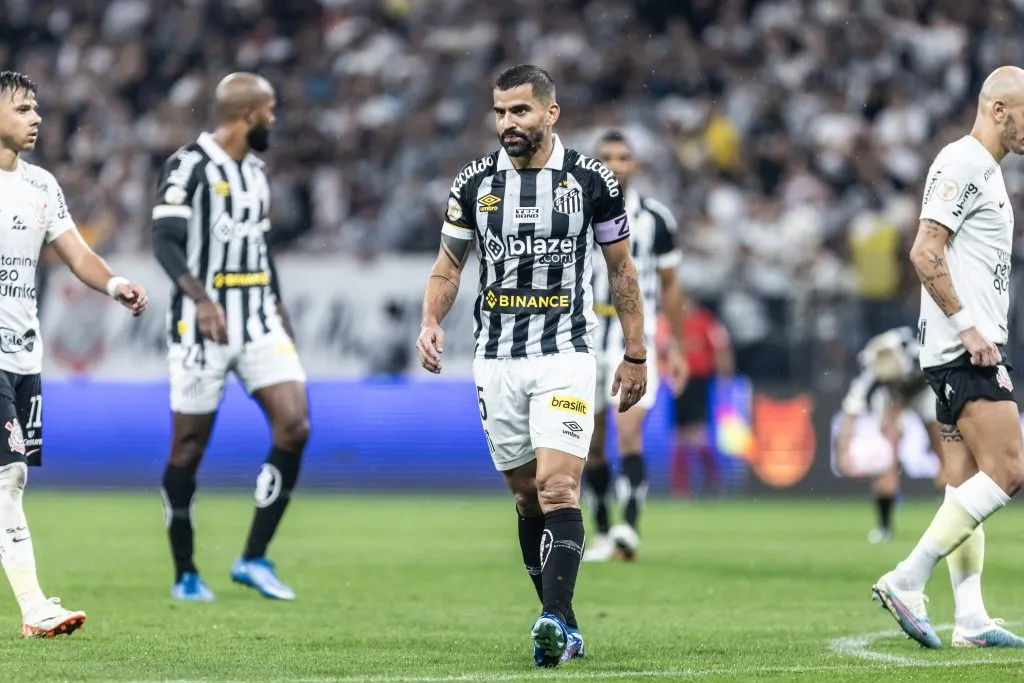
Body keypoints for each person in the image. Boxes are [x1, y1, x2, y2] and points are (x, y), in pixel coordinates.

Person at [415, 65, 647, 667]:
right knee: (525, 499)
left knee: (558, 485)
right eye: (499, 112)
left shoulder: (591, 180)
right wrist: (431, 321)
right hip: (495, 359)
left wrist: (636, 351)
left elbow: (622, 271)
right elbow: (448, 266)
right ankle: (564, 623)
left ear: (551, 113)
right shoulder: (473, 182)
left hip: (566, 354)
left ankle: (548, 617)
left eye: (520, 111)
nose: (508, 124)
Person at [872, 65, 1024, 649]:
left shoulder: (985, 169)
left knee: (963, 485)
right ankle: (906, 579)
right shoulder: (964, 162)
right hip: (964, 350)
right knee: (1008, 470)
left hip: (957, 347)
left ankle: (970, 619)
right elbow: (924, 250)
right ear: (999, 110)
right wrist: (968, 329)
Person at [0, 71, 148, 637]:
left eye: (36, 108)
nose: (35, 118)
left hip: (24, 356)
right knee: (8, 474)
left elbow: (75, 253)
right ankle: (34, 607)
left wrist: (115, 285)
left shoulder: (41, 186)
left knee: (11, 480)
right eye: (21, 108)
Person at [151, 72, 309, 602]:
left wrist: (280, 304)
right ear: (248, 115)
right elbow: (165, 241)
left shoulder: (258, 173)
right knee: (188, 448)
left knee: (295, 425)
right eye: (270, 111)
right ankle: (185, 570)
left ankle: (254, 556)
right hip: (201, 326)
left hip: (257, 318)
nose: (274, 119)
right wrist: (200, 299)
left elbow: (260, 248)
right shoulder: (188, 166)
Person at [582, 130, 687, 563]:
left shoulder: (656, 219)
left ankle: (628, 525)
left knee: (628, 435)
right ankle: (604, 528)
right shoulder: (576, 213)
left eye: (622, 157)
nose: (614, 164)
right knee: (588, 442)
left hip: (635, 342)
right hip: (585, 339)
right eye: (605, 157)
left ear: (634, 164)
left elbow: (670, 286)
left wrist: (675, 344)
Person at [834, 326, 943, 543]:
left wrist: (901, 406)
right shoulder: (870, 374)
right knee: (884, 454)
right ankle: (885, 526)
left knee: (943, 448)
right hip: (889, 397)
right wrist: (842, 453)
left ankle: (948, 512)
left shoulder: (916, 352)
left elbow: (935, 375)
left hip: (925, 389)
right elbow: (851, 414)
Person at [666, 304, 734, 498]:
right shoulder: (674, 322)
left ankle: (713, 483)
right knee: (679, 437)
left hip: (698, 382)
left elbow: (722, 346)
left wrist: (724, 374)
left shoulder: (706, 321)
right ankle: (682, 490)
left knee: (697, 436)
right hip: (678, 383)